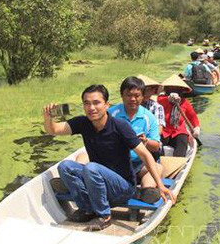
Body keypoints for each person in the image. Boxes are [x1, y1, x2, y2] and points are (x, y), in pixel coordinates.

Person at [43, 84, 175, 231]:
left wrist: (161, 185)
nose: (91, 108)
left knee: (91, 167)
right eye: (87, 103)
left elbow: (145, 155)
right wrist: (48, 118)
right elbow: (53, 129)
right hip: (97, 180)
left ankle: (104, 216)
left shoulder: (120, 126)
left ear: (106, 105)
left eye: (96, 103)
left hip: (123, 187)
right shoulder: (83, 122)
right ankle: (87, 209)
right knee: (65, 166)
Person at [108, 76, 164, 202]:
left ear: (143, 96)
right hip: (114, 163)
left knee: (158, 167)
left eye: (137, 95)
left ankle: (147, 191)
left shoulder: (148, 117)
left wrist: (145, 142)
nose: (133, 99)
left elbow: (156, 146)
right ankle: (75, 181)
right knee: (83, 156)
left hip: (138, 164)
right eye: (128, 95)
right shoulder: (111, 114)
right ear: (122, 95)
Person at [157, 75, 200, 157]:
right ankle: (159, 161)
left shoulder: (185, 103)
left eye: (177, 88)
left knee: (182, 141)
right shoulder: (161, 99)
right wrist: (169, 98)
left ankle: (178, 163)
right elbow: (160, 100)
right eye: (171, 88)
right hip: (163, 131)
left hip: (178, 131)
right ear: (166, 89)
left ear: (182, 90)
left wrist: (197, 128)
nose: (174, 90)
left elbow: (193, 117)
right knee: (157, 143)